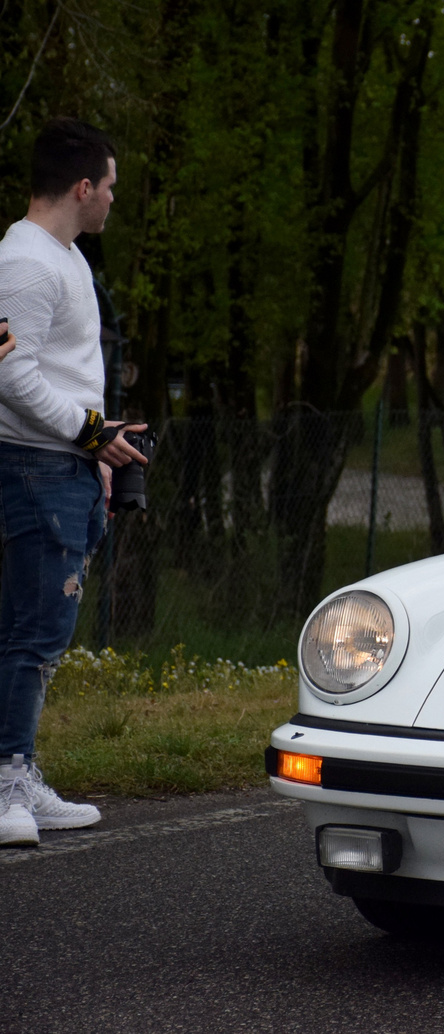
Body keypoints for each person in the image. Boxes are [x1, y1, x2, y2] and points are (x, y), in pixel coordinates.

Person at [0, 118, 148, 849]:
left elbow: (55, 373)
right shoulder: (25, 262)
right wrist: (91, 436)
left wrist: (97, 452)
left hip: (62, 465)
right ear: (83, 187)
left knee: (41, 630)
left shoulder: (61, 257)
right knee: (31, 631)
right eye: (111, 187)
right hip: (32, 468)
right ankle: (5, 785)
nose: (114, 200)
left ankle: (18, 770)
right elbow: (8, 373)